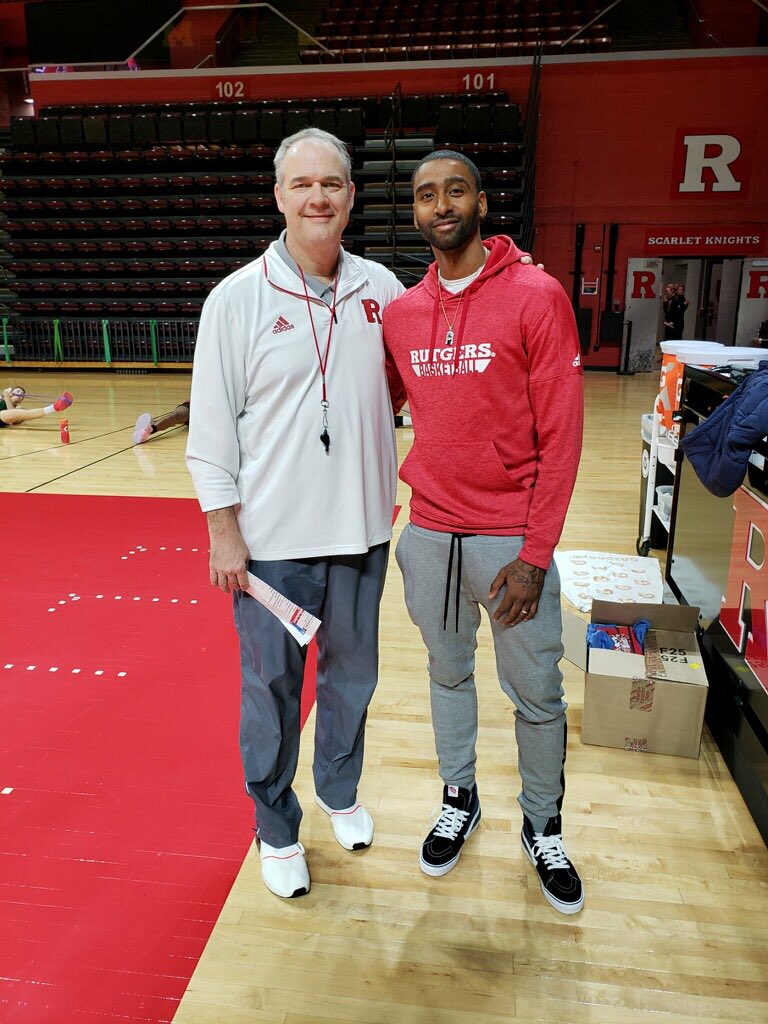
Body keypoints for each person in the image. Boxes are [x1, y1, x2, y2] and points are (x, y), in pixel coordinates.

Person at [185, 128, 406, 900]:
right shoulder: (235, 300)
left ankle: (339, 794)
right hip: (272, 545)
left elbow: (435, 365)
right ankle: (275, 828)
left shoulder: (384, 290)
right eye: (303, 184)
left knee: (353, 681)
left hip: (363, 535)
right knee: (272, 694)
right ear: (278, 196)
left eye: (334, 184)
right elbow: (210, 434)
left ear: (351, 196)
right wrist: (224, 531)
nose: (319, 197)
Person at [383, 150, 585, 915]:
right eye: (426, 194)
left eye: (454, 191)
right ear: (415, 210)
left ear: (481, 203)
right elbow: (371, 407)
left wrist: (535, 557)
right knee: (446, 675)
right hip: (430, 536)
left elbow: (562, 436)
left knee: (536, 693)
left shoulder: (536, 295)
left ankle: (544, 825)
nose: (441, 205)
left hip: (509, 542)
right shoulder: (402, 315)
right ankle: (459, 795)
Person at [0, 386, 73, 427]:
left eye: (22, 395)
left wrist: (6, 396)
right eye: (18, 391)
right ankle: (55, 407)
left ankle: (55, 407)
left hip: (2, 417)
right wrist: (5, 396)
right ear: (10, 393)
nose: (20, 395)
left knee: (20, 412)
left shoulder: (19, 408)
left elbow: (13, 420)